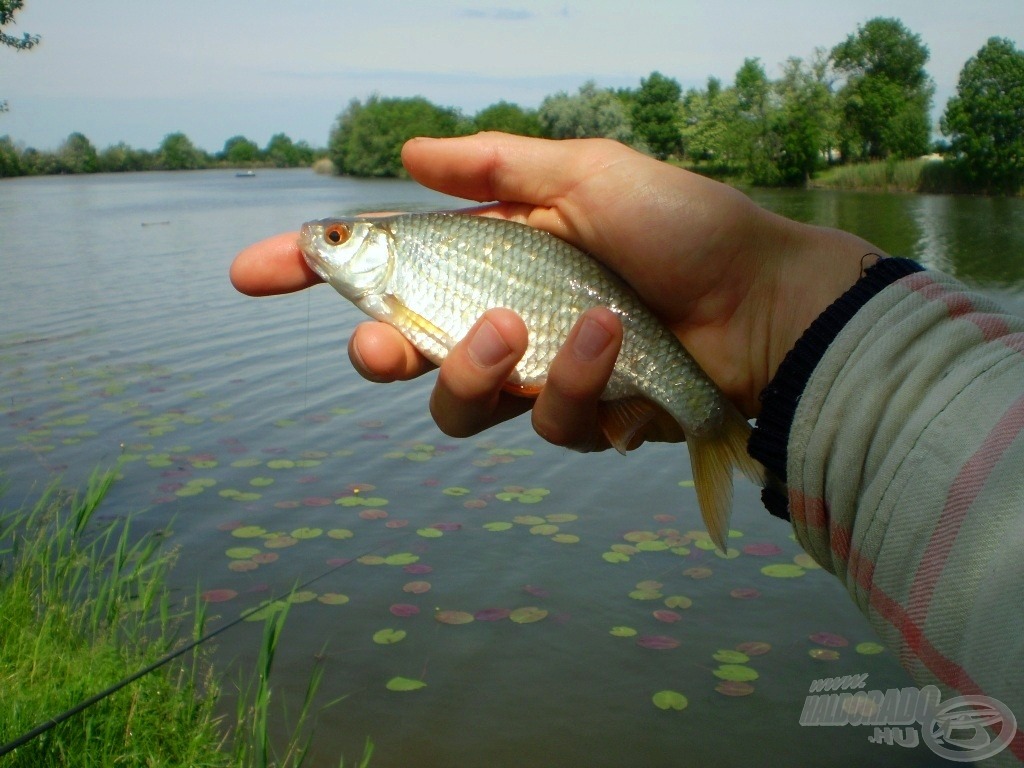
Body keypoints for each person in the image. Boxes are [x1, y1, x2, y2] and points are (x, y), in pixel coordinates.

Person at [232, 132, 1023, 761]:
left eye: (336, 237)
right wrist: (782, 317)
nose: (322, 244)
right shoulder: (410, 258)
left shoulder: (407, 262)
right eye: (332, 237)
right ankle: (717, 426)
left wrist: (768, 318)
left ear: (375, 246)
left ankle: (716, 430)